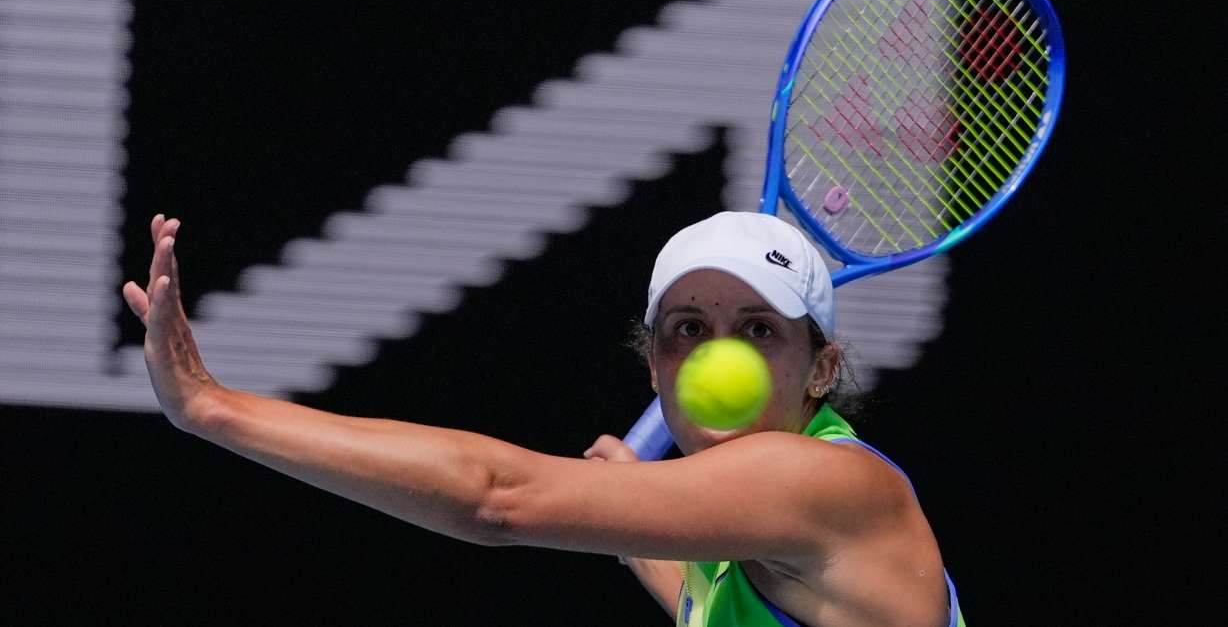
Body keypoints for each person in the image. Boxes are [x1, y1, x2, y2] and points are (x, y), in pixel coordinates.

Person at [123, 211, 964, 627]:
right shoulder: (750, 535)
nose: (720, 360)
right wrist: (628, 520)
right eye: (688, 330)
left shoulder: (822, 481)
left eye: (758, 331)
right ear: (655, 366)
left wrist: (211, 407)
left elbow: (496, 499)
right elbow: (708, 601)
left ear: (821, 369)